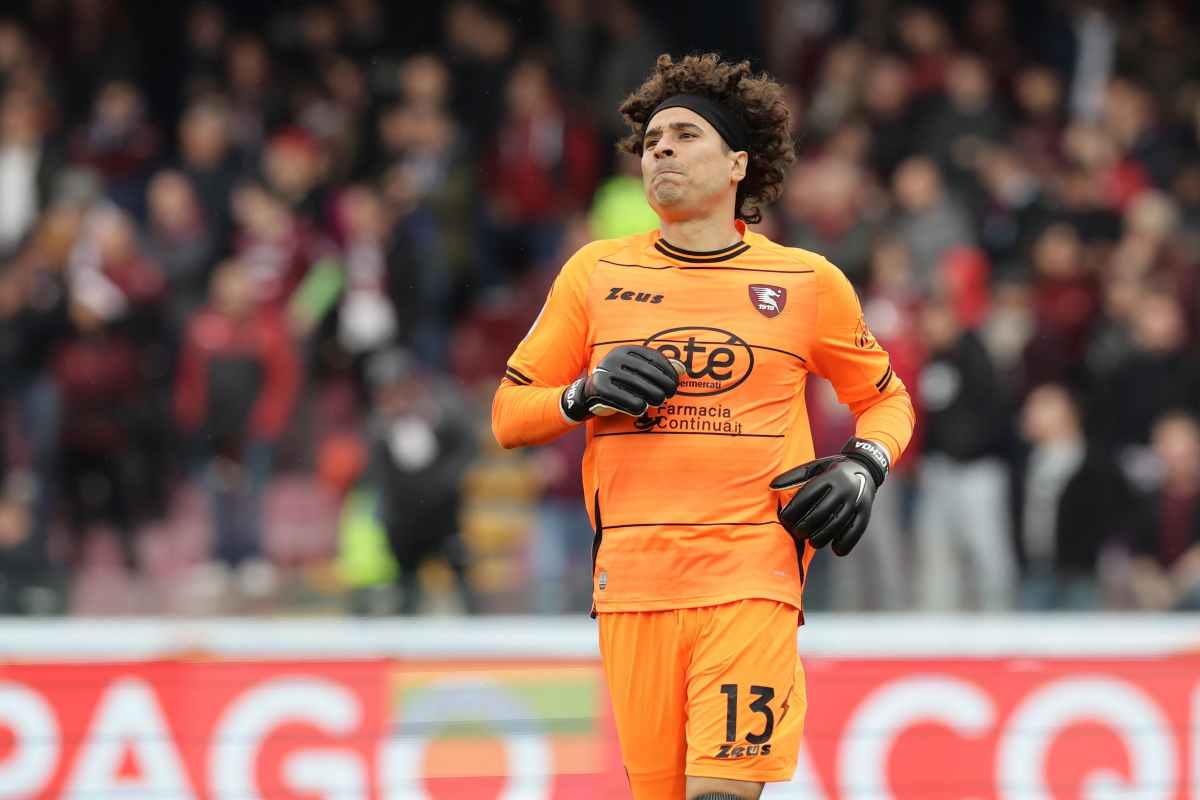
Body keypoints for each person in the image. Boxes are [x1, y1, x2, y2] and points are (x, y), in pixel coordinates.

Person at [492, 53, 915, 800]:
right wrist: (583, 394)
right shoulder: (594, 274)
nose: (660, 148)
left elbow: (887, 399)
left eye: (685, 134)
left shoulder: (808, 282)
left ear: (737, 165)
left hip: (751, 576)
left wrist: (863, 463)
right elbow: (509, 414)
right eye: (652, 137)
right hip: (632, 585)